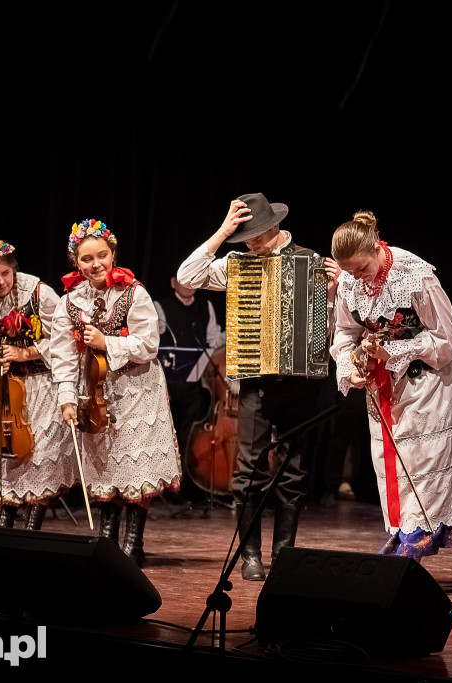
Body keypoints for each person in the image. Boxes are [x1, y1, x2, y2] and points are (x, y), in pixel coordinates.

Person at [177, 192, 333, 581]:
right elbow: (187, 276)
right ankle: (250, 556)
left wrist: (330, 296)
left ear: (275, 226)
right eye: (245, 238)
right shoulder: (237, 265)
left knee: (294, 472)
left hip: (299, 385)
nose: (252, 245)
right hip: (253, 382)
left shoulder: (311, 262)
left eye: (257, 237)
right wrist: (222, 232)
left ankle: (284, 553)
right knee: (247, 473)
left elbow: (328, 334)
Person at [329, 211, 452, 559]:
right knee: (393, 466)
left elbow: (446, 339)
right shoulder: (349, 282)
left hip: (429, 382)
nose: (356, 278)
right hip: (384, 387)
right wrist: (350, 364)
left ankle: (418, 538)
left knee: (426, 463)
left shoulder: (414, 276)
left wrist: (395, 350)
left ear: (376, 247)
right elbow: (344, 333)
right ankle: (404, 531)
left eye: (361, 269)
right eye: (350, 272)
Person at [51, 219, 180, 566]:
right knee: (106, 465)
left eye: (102, 255)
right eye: (86, 259)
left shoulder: (133, 293)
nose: (95, 264)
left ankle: (133, 543)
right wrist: (65, 399)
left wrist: (106, 341)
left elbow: (149, 344)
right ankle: (107, 539)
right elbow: (62, 354)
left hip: (138, 388)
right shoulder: (69, 301)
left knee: (135, 466)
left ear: (113, 254)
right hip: (96, 391)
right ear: (75, 262)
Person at [0, 237, 75, 530]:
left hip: (42, 385)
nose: (1, 282)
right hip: (9, 390)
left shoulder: (38, 293)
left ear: (13, 268)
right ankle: (5, 520)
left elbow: (64, 340)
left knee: (37, 452)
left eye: (5, 274)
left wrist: (25, 352)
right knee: (6, 451)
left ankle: (32, 527)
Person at [154, 276, 225, 457]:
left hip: (194, 384)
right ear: (172, 283)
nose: (188, 284)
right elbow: (153, 341)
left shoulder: (205, 306)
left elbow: (214, 340)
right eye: (183, 280)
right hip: (166, 384)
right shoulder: (160, 306)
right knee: (165, 430)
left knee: (189, 431)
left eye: (194, 280)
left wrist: (235, 332)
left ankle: (184, 472)